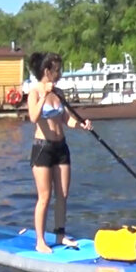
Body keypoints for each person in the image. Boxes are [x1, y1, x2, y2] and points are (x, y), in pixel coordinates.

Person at [27, 51, 92, 253]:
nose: (60, 73)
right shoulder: (35, 92)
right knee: (45, 197)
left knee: (62, 195)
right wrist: (45, 94)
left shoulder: (60, 93)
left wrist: (82, 124)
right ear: (47, 71)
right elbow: (33, 117)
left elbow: (66, 120)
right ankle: (40, 241)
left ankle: (60, 235)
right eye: (57, 70)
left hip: (61, 147)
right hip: (42, 149)